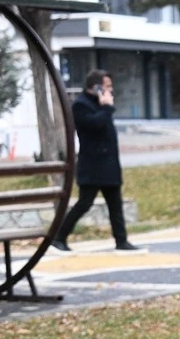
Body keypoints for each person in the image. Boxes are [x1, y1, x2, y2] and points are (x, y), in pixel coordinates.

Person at [50, 70, 139, 252]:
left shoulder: (100, 104)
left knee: (115, 203)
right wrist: (106, 107)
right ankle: (59, 237)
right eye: (107, 86)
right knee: (84, 203)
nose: (110, 90)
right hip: (93, 165)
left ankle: (121, 240)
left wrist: (105, 106)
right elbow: (95, 125)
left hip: (109, 164)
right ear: (95, 87)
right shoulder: (81, 105)